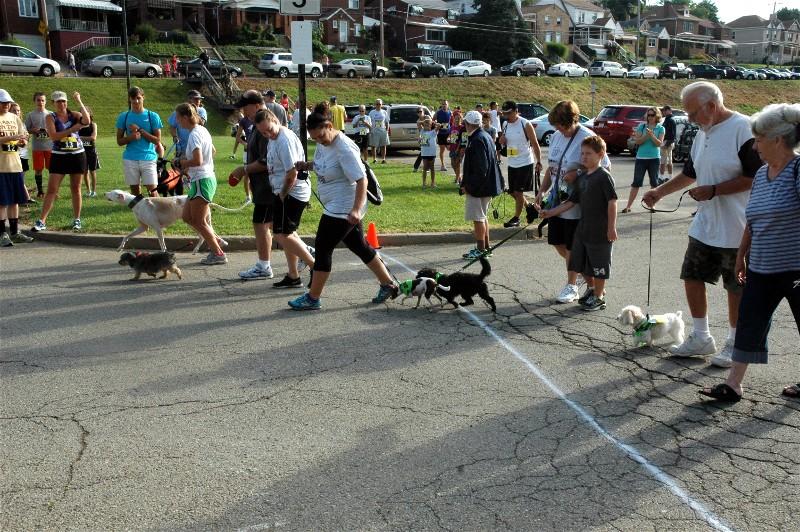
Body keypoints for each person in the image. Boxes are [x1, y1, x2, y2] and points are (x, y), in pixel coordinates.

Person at [643, 82, 762, 366]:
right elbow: (690, 173)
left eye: (693, 113)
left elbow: (754, 177)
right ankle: (701, 336)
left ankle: (735, 343)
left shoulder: (744, 129)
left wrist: (714, 190)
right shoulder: (702, 132)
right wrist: (659, 192)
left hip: (737, 227)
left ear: (711, 105)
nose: (690, 119)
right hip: (705, 224)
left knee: (736, 288)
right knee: (692, 275)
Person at [698, 103, 800, 402]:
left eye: (759, 140)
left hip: (795, 268)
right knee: (748, 322)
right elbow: (752, 221)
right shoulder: (762, 175)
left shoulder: (797, 170)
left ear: (777, 140)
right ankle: (733, 385)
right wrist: (742, 256)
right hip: (761, 267)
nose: (755, 147)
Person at [289, 103, 398, 310]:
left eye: (321, 136)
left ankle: (313, 298)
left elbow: (361, 180)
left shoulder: (344, 148)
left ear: (330, 126)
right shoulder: (324, 143)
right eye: (314, 139)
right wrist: (307, 166)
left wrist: (356, 209)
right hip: (336, 204)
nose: (319, 141)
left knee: (322, 247)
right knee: (359, 245)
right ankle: (388, 284)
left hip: (344, 206)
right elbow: (325, 165)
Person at [536, 100, 611, 303]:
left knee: (572, 247)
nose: (559, 129)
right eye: (556, 126)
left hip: (577, 203)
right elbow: (552, 167)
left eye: (562, 125)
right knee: (557, 242)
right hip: (557, 199)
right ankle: (586, 277)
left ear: (573, 120)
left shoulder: (587, 137)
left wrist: (578, 173)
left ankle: (572, 285)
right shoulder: (556, 136)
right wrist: (542, 191)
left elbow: (604, 167)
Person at [257, 108, 316, 287]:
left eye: (269, 129)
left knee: (281, 235)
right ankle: (293, 275)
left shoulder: (284, 140)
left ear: (275, 120)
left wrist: (282, 194)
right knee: (288, 233)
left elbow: (292, 173)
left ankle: (314, 265)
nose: (268, 134)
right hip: (283, 191)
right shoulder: (273, 139)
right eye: (263, 132)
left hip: (292, 192)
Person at [228, 90, 274, 280]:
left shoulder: (264, 126)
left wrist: (243, 169)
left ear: (256, 105)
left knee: (262, 224)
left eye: (245, 108)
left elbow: (266, 161)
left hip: (267, 186)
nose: (243, 112)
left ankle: (264, 266)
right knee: (277, 228)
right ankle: (306, 253)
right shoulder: (257, 124)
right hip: (263, 186)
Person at [173, 103, 226, 265]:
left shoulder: (194, 134)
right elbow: (212, 151)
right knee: (187, 217)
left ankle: (218, 254)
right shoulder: (202, 130)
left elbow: (198, 160)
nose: (176, 121)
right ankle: (215, 240)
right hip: (201, 179)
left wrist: (182, 162)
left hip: (202, 180)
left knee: (199, 221)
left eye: (177, 118)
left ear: (185, 117)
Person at [31, 91, 90, 232]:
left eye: (63, 101)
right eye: (58, 101)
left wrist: (79, 101)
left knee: (76, 188)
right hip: (59, 155)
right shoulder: (50, 117)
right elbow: (54, 136)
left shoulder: (74, 114)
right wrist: (72, 129)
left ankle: (77, 220)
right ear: (53, 103)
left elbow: (87, 121)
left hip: (77, 154)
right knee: (52, 189)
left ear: (67, 102)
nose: (61, 104)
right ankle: (42, 221)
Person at [460, 110, 503, 260]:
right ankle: (486, 247)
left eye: (465, 123)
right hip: (487, 185)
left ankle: (481, 249)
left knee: (478, 217)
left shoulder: (477, 139)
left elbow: (481, 168)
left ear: (468, 124)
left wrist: (469, 186)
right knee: (482, 216)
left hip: (480, 187)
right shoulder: (484, 135)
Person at [498, 100, 542, 228]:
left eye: (509, 113)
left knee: (518, 192)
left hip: (525, 162)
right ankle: (529, 206)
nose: (506, 116)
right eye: (504, 113)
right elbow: (505, 142)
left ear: (516, 111)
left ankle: (516, 218)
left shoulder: (525, 123)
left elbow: (535, 143)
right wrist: (502, 141)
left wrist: (539, 161)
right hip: (512, 162)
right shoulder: (505, 124)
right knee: (512, 191)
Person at [0, 89, 34, 247]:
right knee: (2, 202)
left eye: (8, 102)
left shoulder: (14, 118)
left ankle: (14, 232)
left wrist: (23, 141)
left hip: (15, 165)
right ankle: (2, 234)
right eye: (3, 103)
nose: (6, 105)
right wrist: (12, 137)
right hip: (1, 167)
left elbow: (24, 135)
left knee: (14, 201)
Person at [116, 86, 162, 197]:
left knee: (153, 192)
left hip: (148, 158)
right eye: (133, 98)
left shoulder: (152, 116)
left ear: (143, 97)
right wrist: (131, 137)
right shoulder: (123, 117)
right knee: (135, 193)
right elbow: (119, 141)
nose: (136, 101)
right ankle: (140, 208)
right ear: (129, 99)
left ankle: (158, 208)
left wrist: (141, 130)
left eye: (138, 98)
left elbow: (157, 140)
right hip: (130, 158)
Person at [622, 106, 664, 213]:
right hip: (641, 158)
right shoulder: (641, 126)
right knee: (636, 182)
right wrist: (647, 136)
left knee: (654, 182)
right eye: (648, 115)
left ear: (657, 116)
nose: (650, 117)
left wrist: (652, 135)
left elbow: (659, 144)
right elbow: (638, 141)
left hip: (654, 159)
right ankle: (628, 206)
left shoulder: (661, 128)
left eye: (652, 115)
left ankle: (652, 205)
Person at [25, 92, 51, 199]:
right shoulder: (30, 115)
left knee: (52, 170)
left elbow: (57, 128)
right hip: (37, 147)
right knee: (38, 169)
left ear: (45, 101)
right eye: (38, 100)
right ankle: (40, 192)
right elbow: (25, 130)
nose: (41, 102)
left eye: (42, 100)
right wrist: (33, 130)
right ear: (34, 101)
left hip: (50, 147)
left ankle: (52, 191)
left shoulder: (51, 114)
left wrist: (49, 130)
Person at [8, 102, 33, 205]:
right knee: (16, 178)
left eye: (18, 110)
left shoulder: (22, 124)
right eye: (14, 110)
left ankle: (23, 198)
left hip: (23, 154)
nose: (16, 112)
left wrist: (25, 141)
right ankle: (24, 198)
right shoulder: (7, 124)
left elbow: (26, 137)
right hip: (11, 154)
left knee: (20, 178)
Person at [78, 110, 99, 198]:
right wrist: (86, 138)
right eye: (82, 113)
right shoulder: (78, 126)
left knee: (92, 171)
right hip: (81, 151)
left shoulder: (93, 125)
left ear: (90, 114)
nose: (84, 114)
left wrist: (80, 138)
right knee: (84, 172)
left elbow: (93, 138)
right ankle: (88, 190)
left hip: (91, 151)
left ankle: (94, 191)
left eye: (86, 113)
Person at [368, 99, 389, 164]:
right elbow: (369, 122)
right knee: (373, 146)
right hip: (374, 131)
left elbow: (387, 122)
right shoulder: (372, 112)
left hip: (383, 131)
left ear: (381, 105)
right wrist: (370, 130)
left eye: (379, 104)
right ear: (375, 105)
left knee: (383, 145)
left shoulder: (384, 112)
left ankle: (383, 159)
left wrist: (387, 130)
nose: (378, 105)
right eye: (377, 104)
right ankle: (374, 159)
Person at [448, 113, 466, 184]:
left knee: (457, 164)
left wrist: (458, 149)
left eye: (458, 118)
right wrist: (448, 139)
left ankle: (457, 180)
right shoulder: (452, 127)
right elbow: (449, 135)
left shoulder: (462, 127)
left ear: (461, 119)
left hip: (459, 148)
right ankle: (459, 177)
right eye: (456, 118)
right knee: (453, 164)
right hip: (452, 147)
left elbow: (462, 140)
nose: (457, 120)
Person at [419, 117, 437, 188]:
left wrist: (433, 122)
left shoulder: (433, 132)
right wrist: (424, 121)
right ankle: (424, 183)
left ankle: (433, 183)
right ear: (423, 125)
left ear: (431, 125)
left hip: (432, 153)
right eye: (425, 125)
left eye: (428, 125)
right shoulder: (422, 131)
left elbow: (439, 126)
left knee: (432, 167)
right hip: (425, 153)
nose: (427, 126)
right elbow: (418, 123)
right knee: (425, 167)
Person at [660, 105, 676, 182]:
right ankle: (668, 177)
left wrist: (666, 144)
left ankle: (662, 177)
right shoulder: (667, 119)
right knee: (666, 160)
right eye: (663, 111)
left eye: (665, 110)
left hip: (668, 142)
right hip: (666, 141)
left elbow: (672, 135)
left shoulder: (671, 120)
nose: (663, 112)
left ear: (669, 110)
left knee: (665, 161)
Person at [435, 100, 452, 171]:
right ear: (441, 105)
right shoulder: (438, 113)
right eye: (443, 104)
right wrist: (438, 125)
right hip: (441, 134)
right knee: (442, 150)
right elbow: (433, 121)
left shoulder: (450, 112)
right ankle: (442, 165)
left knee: (450, 148)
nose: (444, 105)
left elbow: (452, 122)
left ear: (448, 105)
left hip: (448, 133)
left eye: (445, 104)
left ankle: (453, 162)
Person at [412, 106, 426, 172]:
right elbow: (421, 131)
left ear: (423, 112)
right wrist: (420, 137)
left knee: (426, 152)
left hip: (431, 135)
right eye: (418, 112)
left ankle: (417, 166)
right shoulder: (418, 121)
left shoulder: (427, 117)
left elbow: (430, 124)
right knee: (423, 152)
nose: (420, 113)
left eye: (421, 111)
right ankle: (416, 167)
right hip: (425, 136)